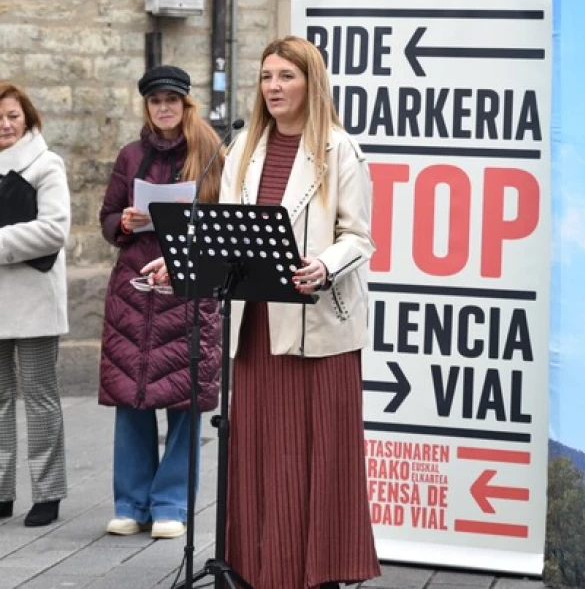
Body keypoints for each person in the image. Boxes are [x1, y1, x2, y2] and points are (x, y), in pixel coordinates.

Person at [144, 36, 381, 588]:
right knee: (255, 453)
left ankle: (317, 572)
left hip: (316, 327)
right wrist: (174, 266)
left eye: (286, 76)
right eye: (267, 76)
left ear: (311, 83)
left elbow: (360, 237)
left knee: (316, 455)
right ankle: (256, 567)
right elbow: (224, 232)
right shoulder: (244, 145)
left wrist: (324, 265)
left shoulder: (340, 150)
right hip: (252, 328)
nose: (273, 87)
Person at [98, 66, 223, 539]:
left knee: (185, 400)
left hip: (187, 288)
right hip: (134, 290)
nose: (163, 108)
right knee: (130, 398)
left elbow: (223, 219)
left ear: (186, 104)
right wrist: (126, 223)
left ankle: (170, 504)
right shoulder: (130, 155)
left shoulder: (209, 153)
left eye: (172, 100)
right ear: (147, 107)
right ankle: (130, 503)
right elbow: (107, 218)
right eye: (155, 101)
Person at [0, 82, 70, 527]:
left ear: (28, 119)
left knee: (40, 399)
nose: (4, 125)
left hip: (36, 301)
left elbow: (54, 230)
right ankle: (1, 491)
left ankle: (48, 493)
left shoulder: (46, 165)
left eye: (12, 116)